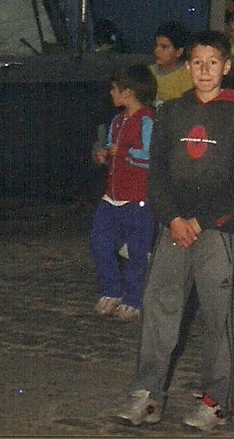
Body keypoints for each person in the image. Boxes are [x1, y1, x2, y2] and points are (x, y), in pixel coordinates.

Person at [115, 32, 234, 431]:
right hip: (174, 228)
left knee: (219, 318)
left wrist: (203, 220)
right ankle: (147, 395)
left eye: (213, 63)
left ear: (226, 68)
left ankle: (217, 401)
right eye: (197, 62)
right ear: (188, 66)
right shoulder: (172, 112)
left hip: (217, 231)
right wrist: (173, 217)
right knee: (160, 308)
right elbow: (157, 172)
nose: (205, 70)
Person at [91, 62, 156, 324]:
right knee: (100, 242)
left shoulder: (147, 120)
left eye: (114, 89)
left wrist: (126, 154)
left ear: (127, 92)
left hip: (137, 199)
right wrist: (104, 155)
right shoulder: (117, 121)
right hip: (112, 197)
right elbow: (110, 151)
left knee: (137, 252)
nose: (111, 94)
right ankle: (111, 289)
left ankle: (133, 298)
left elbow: (150, 157)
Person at [150, 22, 192, 106]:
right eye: (156, 45)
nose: (157, 50)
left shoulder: (186, 75)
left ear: (179, 52)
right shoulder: (149, 72)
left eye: (164, 47)